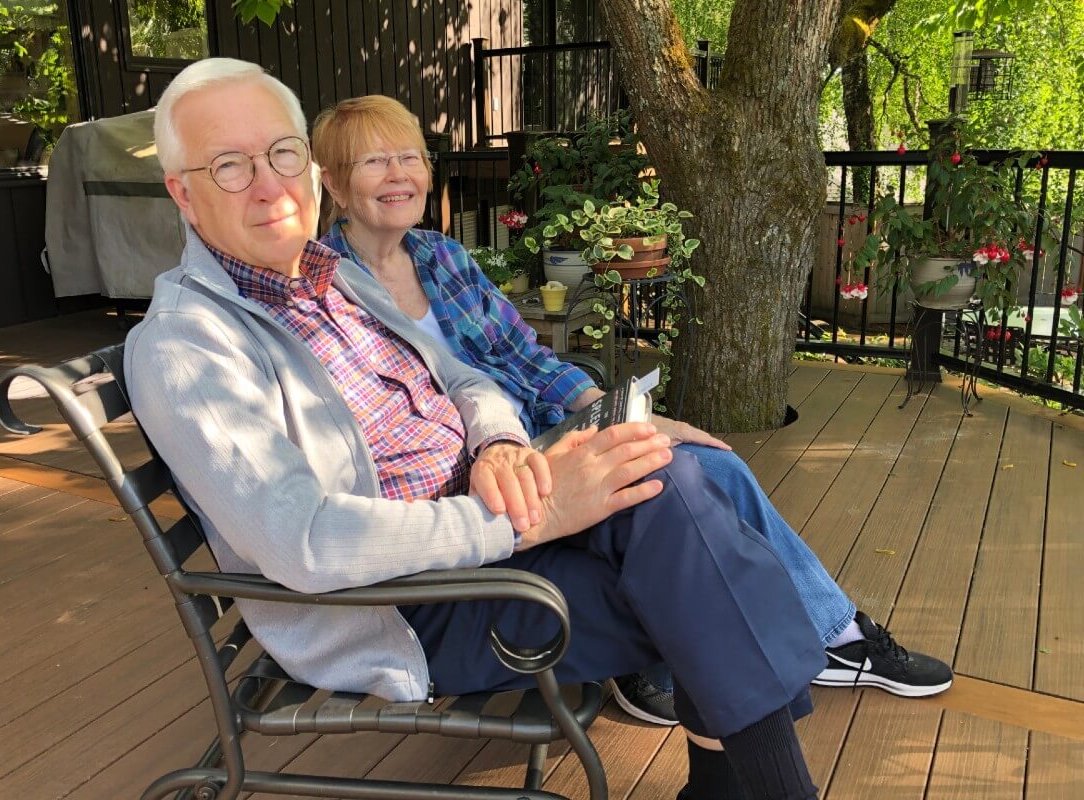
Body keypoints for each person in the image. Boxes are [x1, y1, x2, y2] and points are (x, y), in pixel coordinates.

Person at [127, 57, 827, 800]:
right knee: (706, 571)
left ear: (307, 164)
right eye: (229, 166)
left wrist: (500, 444)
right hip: (401, 605)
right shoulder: (188, 345)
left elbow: (465, 380)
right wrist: (528, 519)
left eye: (281, 153)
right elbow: (307, 542)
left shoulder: (336, 276)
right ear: (183, 192)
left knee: (665, 475)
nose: (269, 185)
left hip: (489, 529)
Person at [310, 94, 954, 729]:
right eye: (374, 162)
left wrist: (613, 410)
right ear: (335, 184)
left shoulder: (441, 256)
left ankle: (820, 634)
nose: (399, 175)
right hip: (482, 478)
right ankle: (754, 651)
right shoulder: (327, 289)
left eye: (410, 157)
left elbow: (523, 354)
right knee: (676, 480)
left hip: (539, 430)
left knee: (707, 460)